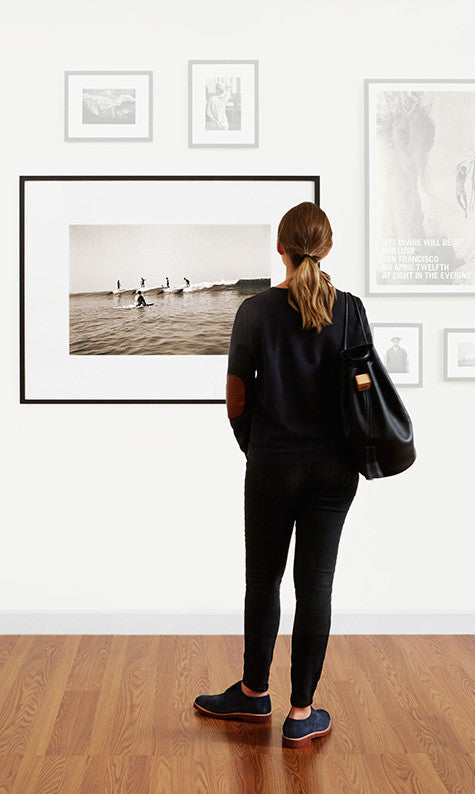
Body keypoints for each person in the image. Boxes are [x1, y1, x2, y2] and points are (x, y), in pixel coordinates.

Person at [193, 201, 371, 749]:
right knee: (315, 585)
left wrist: (255, 446)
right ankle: (301, 711)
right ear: (329, 247)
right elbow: (362, 391)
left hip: (271, 464)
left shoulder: (254, 311)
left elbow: (235, 395)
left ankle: (252, 694)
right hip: (335, 470)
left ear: (280, 247)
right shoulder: (350, 310)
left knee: (263, 580)